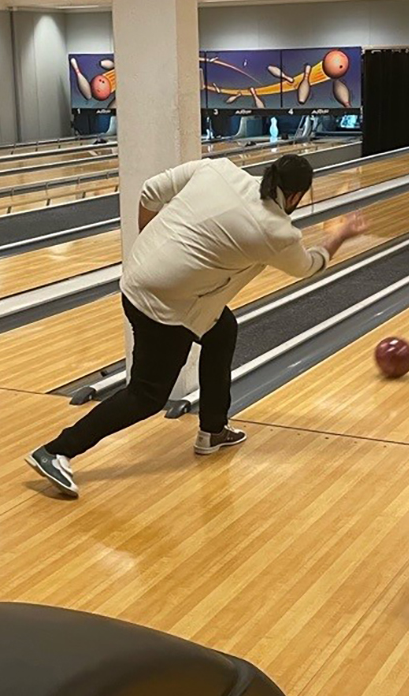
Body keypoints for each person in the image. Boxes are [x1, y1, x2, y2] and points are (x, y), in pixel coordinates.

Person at [25, 153, 367, 497]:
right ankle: (56, 451)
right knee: (146, 396)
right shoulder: (275, 231)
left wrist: (155, 250)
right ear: (294, 196)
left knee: (222, 331)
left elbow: (150, 191)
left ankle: (213, 430)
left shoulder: (217, 169)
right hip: (164, 309)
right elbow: (308, 266)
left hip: (138, 278)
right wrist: (340, 235)